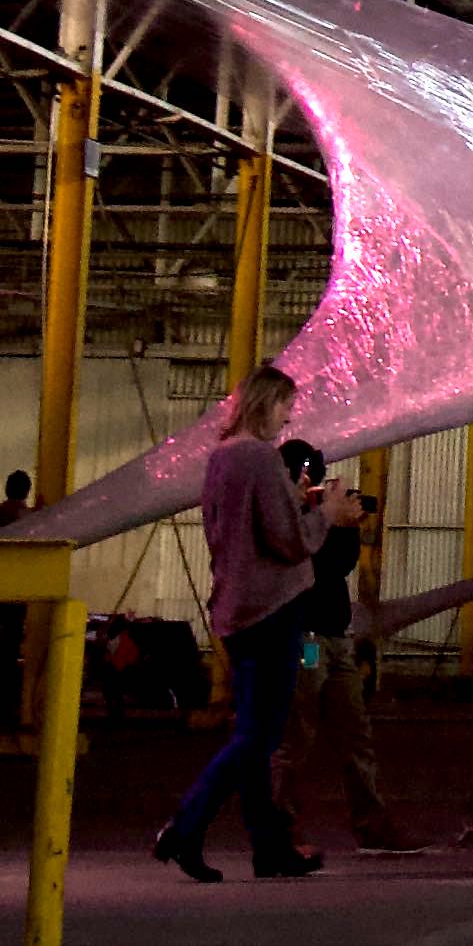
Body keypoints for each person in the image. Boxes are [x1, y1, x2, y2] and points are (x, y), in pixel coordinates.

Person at [153, 363, 338, 882]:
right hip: (273, 608)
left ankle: (268, 847)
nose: (288, 415)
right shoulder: (259, 457)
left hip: (234, 606)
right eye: (284, 404)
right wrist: (325, 514)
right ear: (264, 403)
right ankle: (185, 826)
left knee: (255, 737)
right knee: (259, 737)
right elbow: (288, 540)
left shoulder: (221, 459)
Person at [276, 438, 418, 855]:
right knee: (295, 739)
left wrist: (344, 527)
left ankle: (372, 826)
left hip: (335, 639)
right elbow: (317, 567)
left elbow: (338, 568)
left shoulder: (316, 518)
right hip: (306, 640)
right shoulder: (289, 519)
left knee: (356, 737)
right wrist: (333, 522)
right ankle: (280, 829)